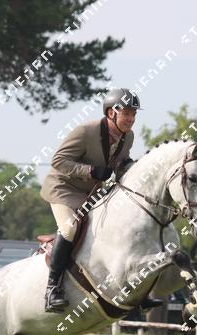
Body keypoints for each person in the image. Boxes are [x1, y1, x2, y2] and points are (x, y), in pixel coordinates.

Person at [39, 87, 162, 313]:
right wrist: (91, 171)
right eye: (126, 113)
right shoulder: (86, 131)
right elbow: (58, 161)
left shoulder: (128, 137)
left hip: (89, 193)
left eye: (134, 114)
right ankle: (52, 289)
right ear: (111, 113)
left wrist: (134, 168)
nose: (131, 118)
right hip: (63, 189)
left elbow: (120, 162)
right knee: (69, 228)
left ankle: (139, 291)